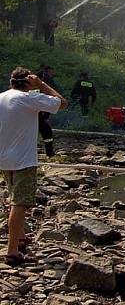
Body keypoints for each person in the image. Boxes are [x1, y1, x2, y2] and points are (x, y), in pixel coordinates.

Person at [0, 67, 66, 265]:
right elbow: (62, 103)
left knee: (13, 198)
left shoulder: (2, 97)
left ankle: (19, 237)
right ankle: (12, 251)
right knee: (19, 204)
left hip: (4, 159)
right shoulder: (28, 99)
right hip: (23, 160)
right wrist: (41, 84)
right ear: (28, 83)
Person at [35, 65, 59, 157]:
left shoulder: (31, 82)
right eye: (51, 71)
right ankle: (49, 152)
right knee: (46, 131)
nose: (52, 73)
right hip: (39, 110)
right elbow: (52, 95)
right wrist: (46, 116)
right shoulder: (46, 80)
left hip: (34, 110)